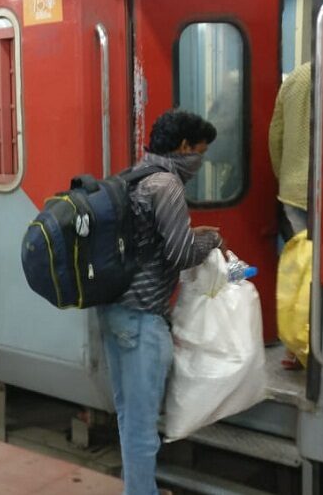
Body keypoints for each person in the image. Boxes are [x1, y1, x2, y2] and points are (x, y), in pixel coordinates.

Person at [98, 111, 222, 495]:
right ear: (184, 147)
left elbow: (152, 241)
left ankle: (140, 488)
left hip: (114, 311)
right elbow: (180, 254)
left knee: (129, 414)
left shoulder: (133, 175)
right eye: (200, 153)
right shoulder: (167, 184)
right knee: (142, 422)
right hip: (141, 319)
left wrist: (190, 234)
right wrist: (212, 241)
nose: (200, 162)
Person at [268, 62, 312, 239]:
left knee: (302, 258)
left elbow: (275, 136)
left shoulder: (295, 77)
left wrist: (285, 176)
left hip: (293, 191)